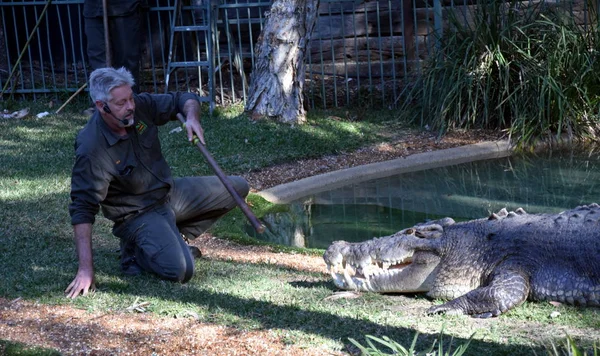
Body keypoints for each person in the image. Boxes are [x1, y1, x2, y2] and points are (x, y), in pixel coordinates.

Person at [65, 67, 249, 299]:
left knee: (237, 187)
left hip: (168, 195)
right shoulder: (92, 147)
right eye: (121, 103)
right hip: (137, 215)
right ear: (102, 106)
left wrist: (192, 117)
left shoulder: (139, 106)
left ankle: (174, 236)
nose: (131, 106)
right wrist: (85, 270)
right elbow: (82, 208)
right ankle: (134, 252)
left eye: (130, 98)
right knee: (182, 270)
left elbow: (183, 99)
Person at [83, 0, 143, 93]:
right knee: (98, 61)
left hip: (125, 7)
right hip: (94, 8)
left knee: (127, 61)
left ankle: (129, 102)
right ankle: (102, 103)